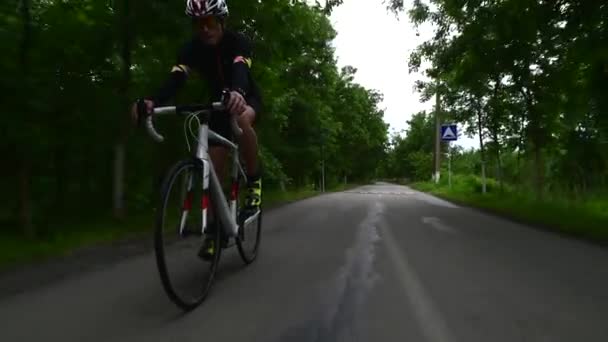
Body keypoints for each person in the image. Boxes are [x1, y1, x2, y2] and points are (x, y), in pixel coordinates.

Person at [131, 0, 262, 259]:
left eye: (210, 22)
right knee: (211, 167)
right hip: (216, 103)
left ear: (221, 21)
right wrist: (153, 101)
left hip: (244, 95)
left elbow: (240, 70)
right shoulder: (190, 49)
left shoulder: (238, 42)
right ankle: (215, 230)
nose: (204, 29)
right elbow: (176, 80)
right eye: (198, 23)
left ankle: (254, 181)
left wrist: (237, 92)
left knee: (243, 118)